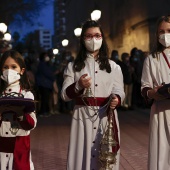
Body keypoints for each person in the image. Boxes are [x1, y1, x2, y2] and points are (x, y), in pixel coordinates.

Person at [61, 20, 125, 170]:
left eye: (97, 35)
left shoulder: (113, 66)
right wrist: (78, 86)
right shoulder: (73, 66)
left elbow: (120, 90)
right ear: (83, 40)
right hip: (82, 117)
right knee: (82, 157)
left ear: (102, 38)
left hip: (106, 117)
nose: (93, 39)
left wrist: (116, 98)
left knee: (105, 159)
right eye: (88, 36)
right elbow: (64, 95)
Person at [141, 15, 170, 170]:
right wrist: (153, 93)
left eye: (169, 30)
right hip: (161, 111)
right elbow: (144, 87)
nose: (165, 35)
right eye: (161, 31)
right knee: (162, 154)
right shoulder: (152, 59)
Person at [0, 50, 37, 169]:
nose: (8, 70)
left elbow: (32, 124)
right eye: (5, 67)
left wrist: (21, 114)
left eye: (13, 67)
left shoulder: (27, 95)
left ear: (22, 70)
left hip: (19, 148)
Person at [35, 52, 55, 117]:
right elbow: (48, 73)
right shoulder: (42, 64)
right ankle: (43, 112)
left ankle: (45, 111)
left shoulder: (44, 64)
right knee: (44, 98)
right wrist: (53, 77)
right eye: (46, 56)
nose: (47, 57)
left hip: (45, 84)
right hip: (44, 84)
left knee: (45, 98)